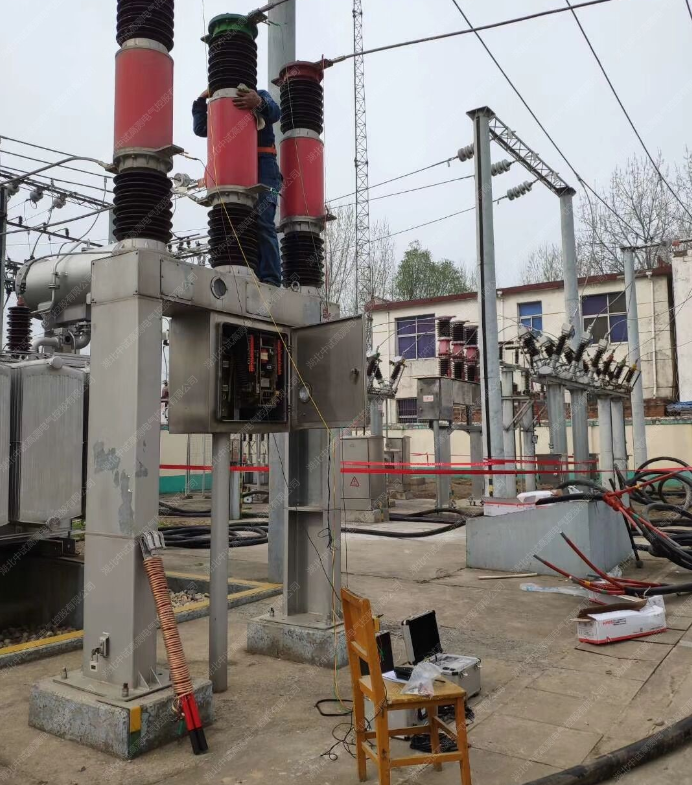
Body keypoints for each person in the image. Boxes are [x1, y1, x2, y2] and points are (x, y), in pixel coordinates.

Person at [192, 86, 282, 287]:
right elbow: (201, 129)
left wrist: (258, 103)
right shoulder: (222, 105)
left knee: (263, 221)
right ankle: (250, 271)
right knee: (239, 216)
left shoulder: (259, 95)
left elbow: (275, 113)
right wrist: (200, 100)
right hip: (238, 164)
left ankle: (271, 279)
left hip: (264, 164)